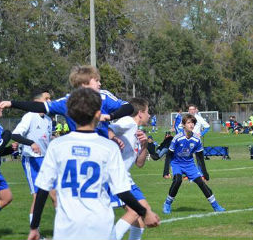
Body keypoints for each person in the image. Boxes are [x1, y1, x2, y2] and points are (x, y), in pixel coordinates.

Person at [27, 88, 159, 240]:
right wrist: (145, 212)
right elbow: (122, 191)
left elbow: (43, 190)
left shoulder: (56, 145)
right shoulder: (107, 147)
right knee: (133, 213)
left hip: (66, 227)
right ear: (98, 115)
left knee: (136, 219)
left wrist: (34, 227)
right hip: (100, 225)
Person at [0, 65, 134, 140]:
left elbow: (128, 107)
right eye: (96, 80)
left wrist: (110, 116)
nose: (100, 83)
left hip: (102, 149)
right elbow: (40, 106)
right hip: (76, 149)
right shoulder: (67, 102)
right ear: (84, 83)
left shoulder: (104, 97)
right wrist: (13, 103)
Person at [162, 114, 225, 214]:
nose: (191, 125)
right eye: (188, 123)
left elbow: (200, 158)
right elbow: (169, 155)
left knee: (201, 183)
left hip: (189, 164)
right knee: (178, 180)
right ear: (183, 125)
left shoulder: (196, 139)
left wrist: (205, 173)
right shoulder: (177, 138)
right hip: (177, 163)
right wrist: (166, 171)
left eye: (193, 123)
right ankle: (167, 204)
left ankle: (216, 206)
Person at [11, 89, 58, 225]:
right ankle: (34, 232)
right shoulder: (30, 116)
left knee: (55, 195)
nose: (50, 101)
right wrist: (31, 143)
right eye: (47, 98)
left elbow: (47, 139)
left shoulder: (49, 120)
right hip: (31, 160)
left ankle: (63, 231)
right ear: (37, 102)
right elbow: (15, 134)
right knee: (38, 197)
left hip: (46, 161)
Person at [110, 98, 154, 240]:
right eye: (148, 112)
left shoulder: (136, 131)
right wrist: (114, 138)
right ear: (140, 113)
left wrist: (144, 145)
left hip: (126, 177)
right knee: (136, 211)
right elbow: (108, 129)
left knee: (142, 217)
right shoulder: (127, 122)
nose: (149, 115)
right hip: (114, 176)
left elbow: (139, 164)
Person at [0, 94, 19, 239]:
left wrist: (11, 149)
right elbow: (0, 145)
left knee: (7, 197)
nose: (2, 107)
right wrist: (8, 134)